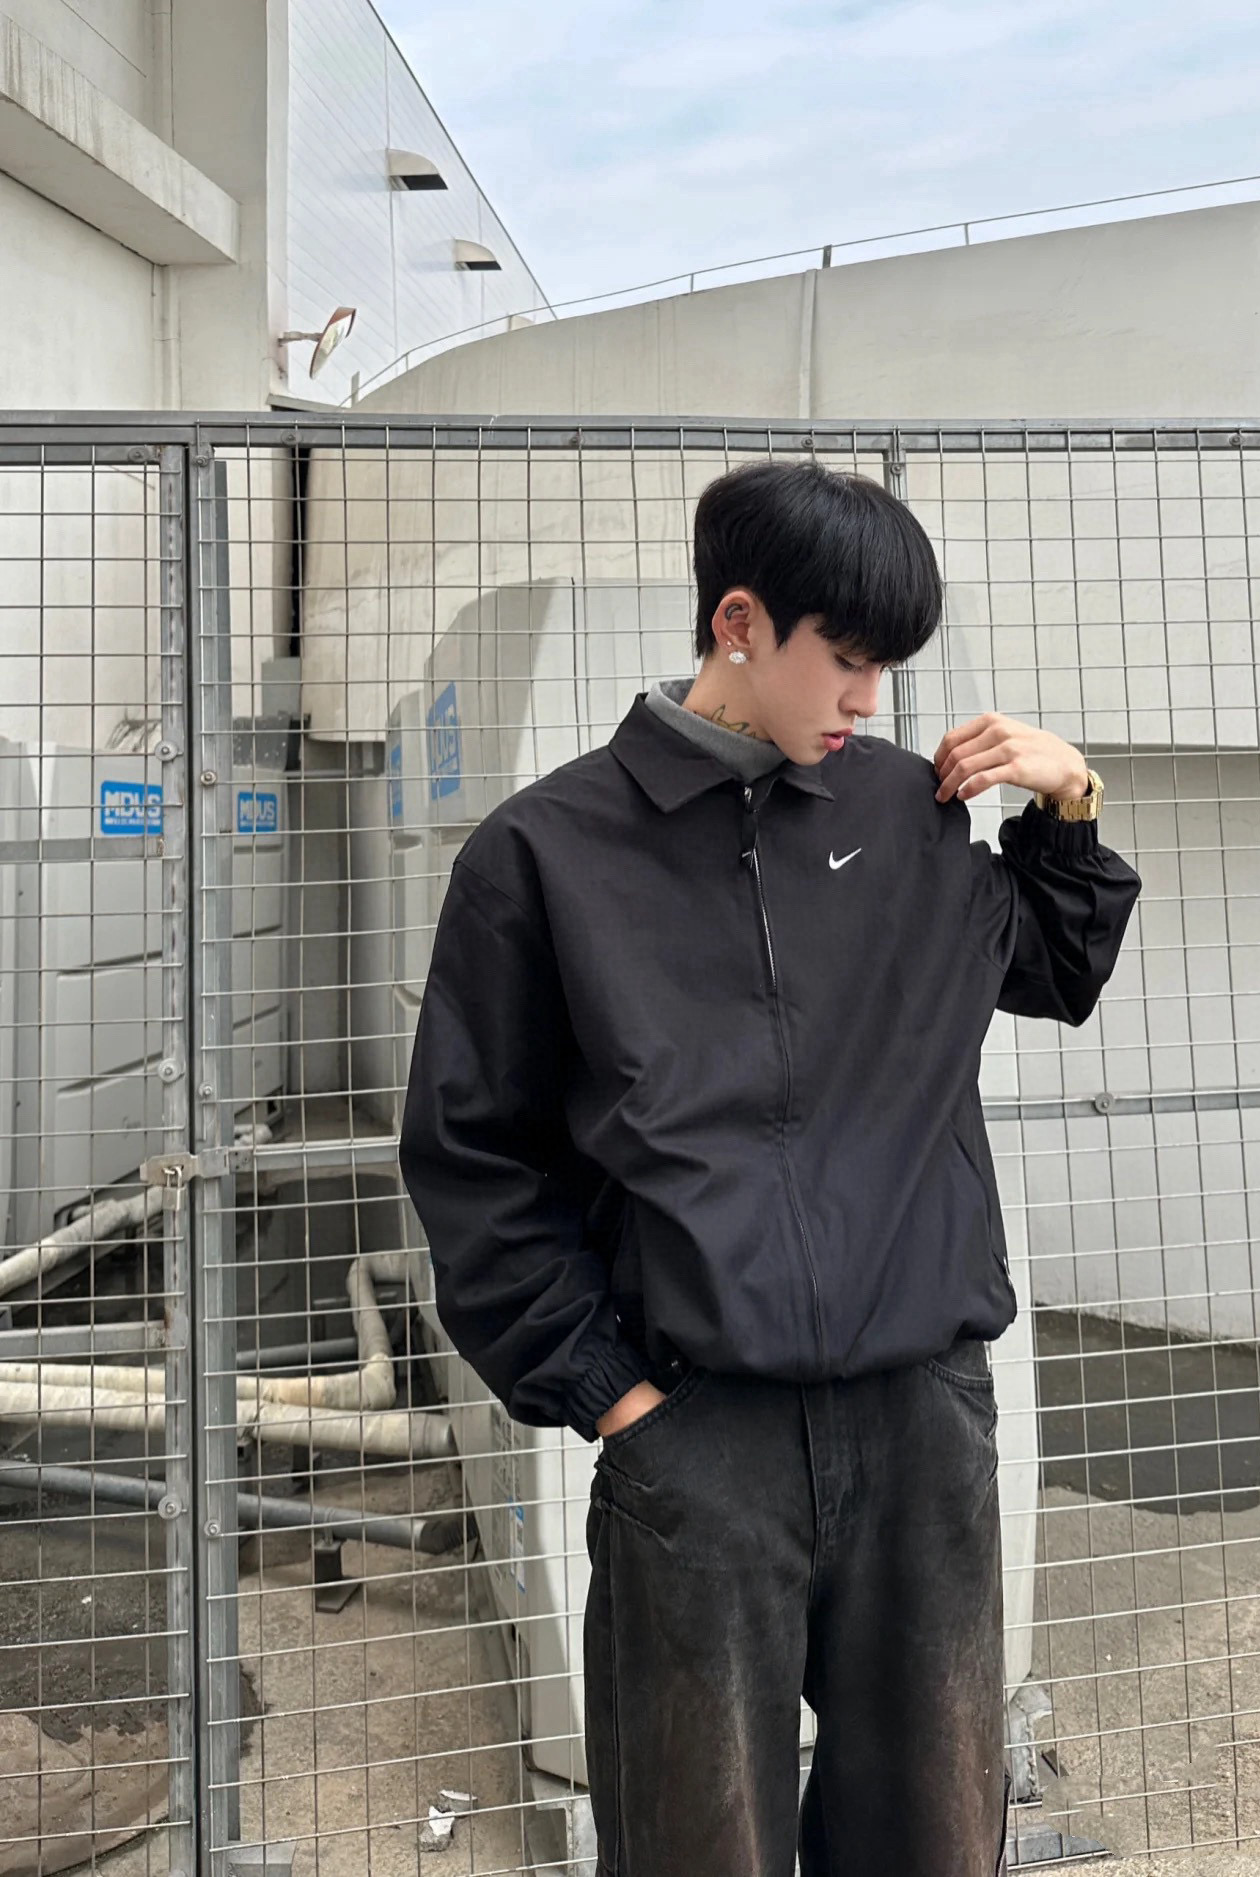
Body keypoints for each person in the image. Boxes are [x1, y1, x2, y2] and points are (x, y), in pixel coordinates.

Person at [399, 460, 1142, 1876]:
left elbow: (1055, 967)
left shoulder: (906, 814)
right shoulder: (544, 855)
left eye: (888, 665)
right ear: (738, 622)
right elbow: (473, 1155)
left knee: (932, 1838)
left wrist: (1069, 799)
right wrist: (613, 1397)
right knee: (697, 1845)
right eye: (847, 658)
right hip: (698, 1435)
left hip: (921, 1425)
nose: (870, 697)